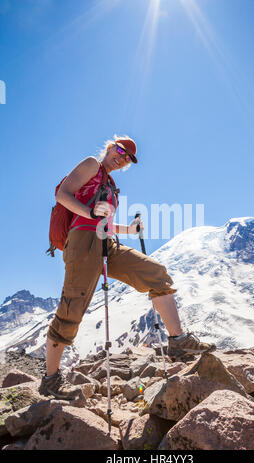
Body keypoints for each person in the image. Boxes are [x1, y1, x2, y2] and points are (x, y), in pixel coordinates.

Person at [39, 135, 216, 400]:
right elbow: (62, 194)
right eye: (119, 151)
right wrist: (89, 214)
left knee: (157, 273)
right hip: (82, 241)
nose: (121, 158)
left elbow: (104, 224)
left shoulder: (110, 185)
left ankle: (178, 341)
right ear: (110, 147)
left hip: (104, 241)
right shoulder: (91, 165)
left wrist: (129, 230)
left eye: (127, 158)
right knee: (72, 308)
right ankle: (50, 380)